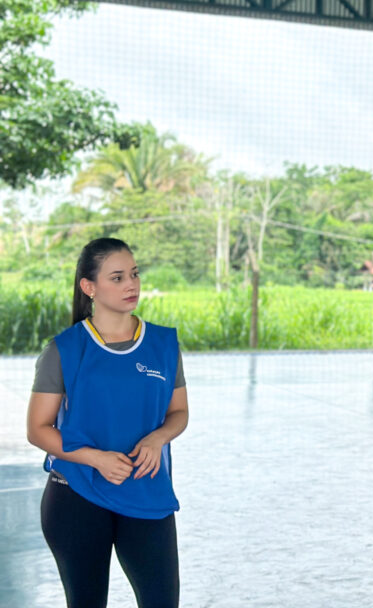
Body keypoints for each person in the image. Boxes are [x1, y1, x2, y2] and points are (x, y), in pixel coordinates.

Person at [26, 238, 188, 608]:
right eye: (117, 277)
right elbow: (38, 429)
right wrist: (96, 458)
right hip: (76, 495)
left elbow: (179, 412)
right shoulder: (64, 350)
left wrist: (157, 439)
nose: (131, 284)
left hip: (145, 490)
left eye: (134, 274)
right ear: (89, 287)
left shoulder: (163, 344)